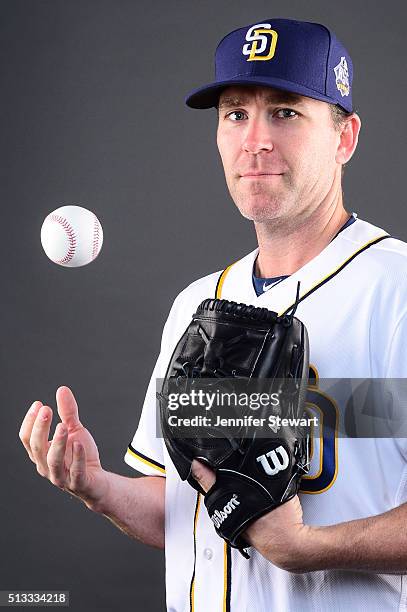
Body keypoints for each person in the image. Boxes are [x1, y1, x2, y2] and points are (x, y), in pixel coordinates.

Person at [19, 17, 407, 612]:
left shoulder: (395, 290)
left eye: (285, 112)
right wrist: (97, 488)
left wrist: (307, 548)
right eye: (234, 113)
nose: (255, 139)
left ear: (344, 137)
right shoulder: (196, 305)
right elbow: (184, 510)